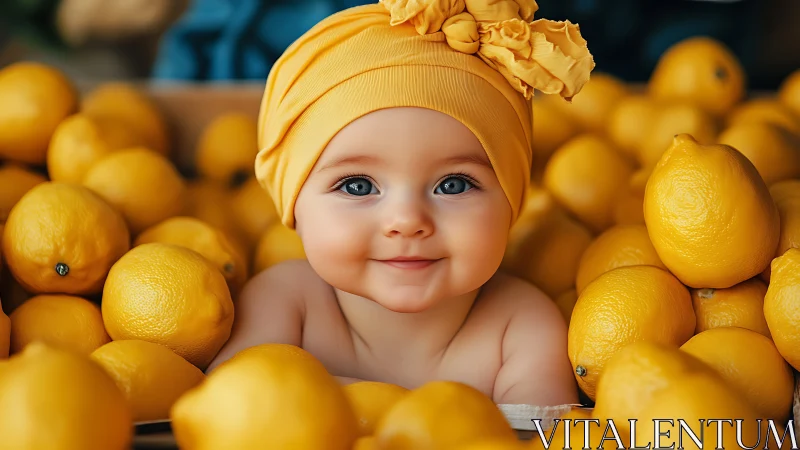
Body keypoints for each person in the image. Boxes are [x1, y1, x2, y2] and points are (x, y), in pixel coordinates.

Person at [207, 0, 595, 407]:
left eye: (453, 185)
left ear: (512, 201)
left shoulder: (522, 328)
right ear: (293, 204)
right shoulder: (284, 301)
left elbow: (544, 436)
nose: (407, 221)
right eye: (357, 186)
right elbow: (233, 404)